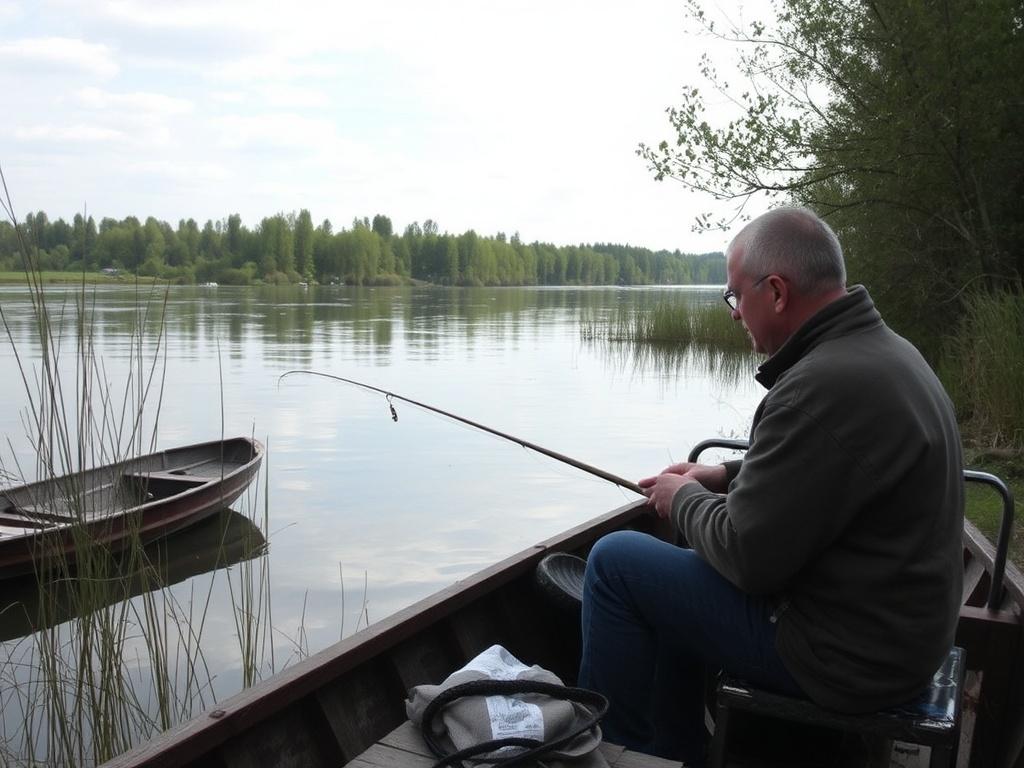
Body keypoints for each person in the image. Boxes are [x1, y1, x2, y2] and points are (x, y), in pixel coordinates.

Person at [577, 207, 964, 766]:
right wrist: (723, 475)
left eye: (735, 296)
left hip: (844, 659)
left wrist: (682, 498)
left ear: (776, 292)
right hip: (895, 642)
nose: (735, 314)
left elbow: (747, 555)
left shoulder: (817, 387)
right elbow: (824, 473)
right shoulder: (884, 354)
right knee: (674, 574)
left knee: (615, 564)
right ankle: (677, 750)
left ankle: (624, 754)